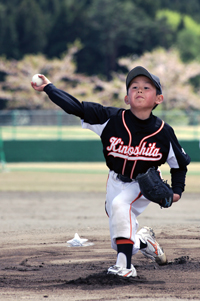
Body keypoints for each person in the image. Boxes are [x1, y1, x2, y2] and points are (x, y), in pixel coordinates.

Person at [31, 66, 190, 278]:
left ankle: (124, 267)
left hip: (144, 183)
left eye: (146, 87)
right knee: (122, 235)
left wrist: (177, 191)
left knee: (120, 206)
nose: (139, 90)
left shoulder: (164, 132)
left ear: (158, 99)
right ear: (126, 98)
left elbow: (179, 164)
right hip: (114, 181)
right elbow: (76, 108)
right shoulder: (110, 119)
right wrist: (49, 88)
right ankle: (144, 241)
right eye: (134, 87)